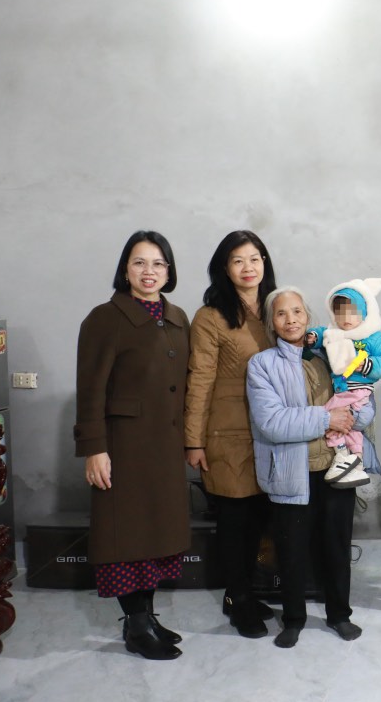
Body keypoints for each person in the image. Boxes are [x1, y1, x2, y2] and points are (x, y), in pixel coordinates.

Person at [75, 230, 190, 660]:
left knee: (155, 535)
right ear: (125, 269)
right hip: (122, 448)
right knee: (125, 537)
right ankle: (136, 626)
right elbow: (90, 389)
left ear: (169, 271)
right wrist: (94, 448)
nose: (149, 271)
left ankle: (147, 617)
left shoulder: (177, 317)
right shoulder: (105, 318)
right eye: (139, 262)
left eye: (158, 263)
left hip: (165, 447)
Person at [247, 287, 374, 648]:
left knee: (337, 547)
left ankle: (339, 615)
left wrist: (353, 416)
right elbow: (271, 422)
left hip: (337, 469)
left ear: (308, 317)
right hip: (291, 472)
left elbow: (363, 400)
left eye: (297, 312)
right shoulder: (262, 364)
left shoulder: (332, 354)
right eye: (282, 313)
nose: (291, 320)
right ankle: (293, 619)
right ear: (272, 322)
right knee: (291, 551)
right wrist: (327, 418)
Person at [184, 230, 277, 638]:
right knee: (235, 521)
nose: (248, 267)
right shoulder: (211, 316)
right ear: (224, 268)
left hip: (271, 433)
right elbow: (199, 379)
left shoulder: (276, 308)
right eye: (238, 260)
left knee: (259, 517)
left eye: (254, 258)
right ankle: (239, 600)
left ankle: (241, 592)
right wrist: (193, 440)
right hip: (227, 433)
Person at [303, 277, 381, 489]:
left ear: (364, 311)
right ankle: (356, 459)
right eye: (340, 313)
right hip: (342, 392)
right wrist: (312, 336)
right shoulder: (334, 333)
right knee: (344, 425)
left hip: (359, 394)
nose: (346, 318)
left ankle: (343, 455)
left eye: (352, 312)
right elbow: (321, 334)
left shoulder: (373, 337)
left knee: (328, 416)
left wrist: (368, 365)